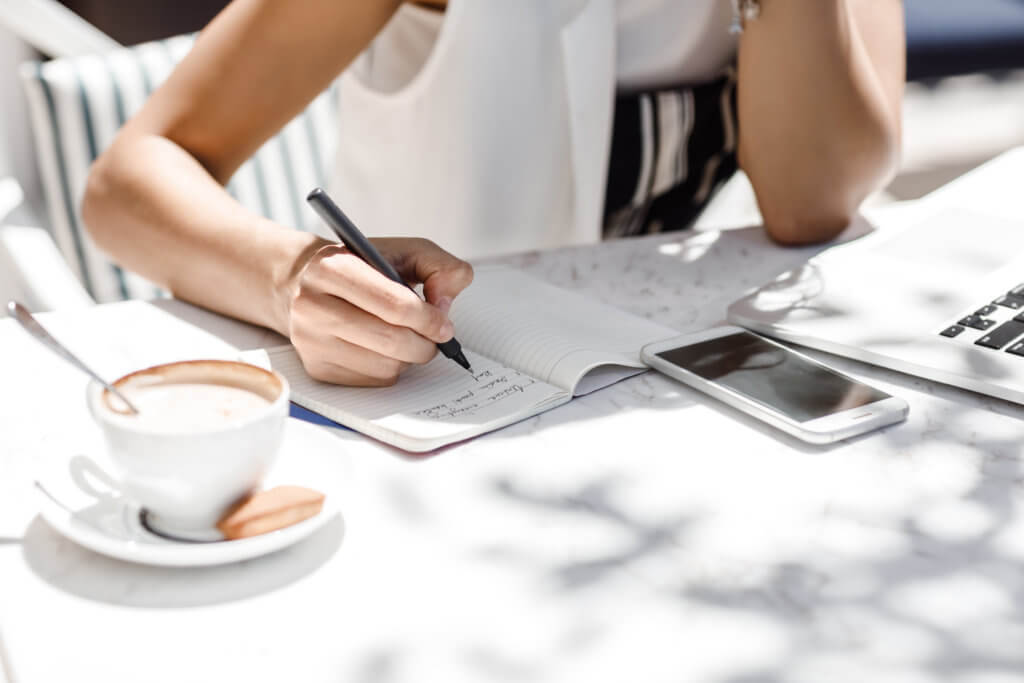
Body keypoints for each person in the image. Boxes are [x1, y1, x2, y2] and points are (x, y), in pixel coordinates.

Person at [82, 0, 905, 387]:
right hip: (424, 393)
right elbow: (128, 183)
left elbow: (811, 205)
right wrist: (291, 277)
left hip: (668, 379)